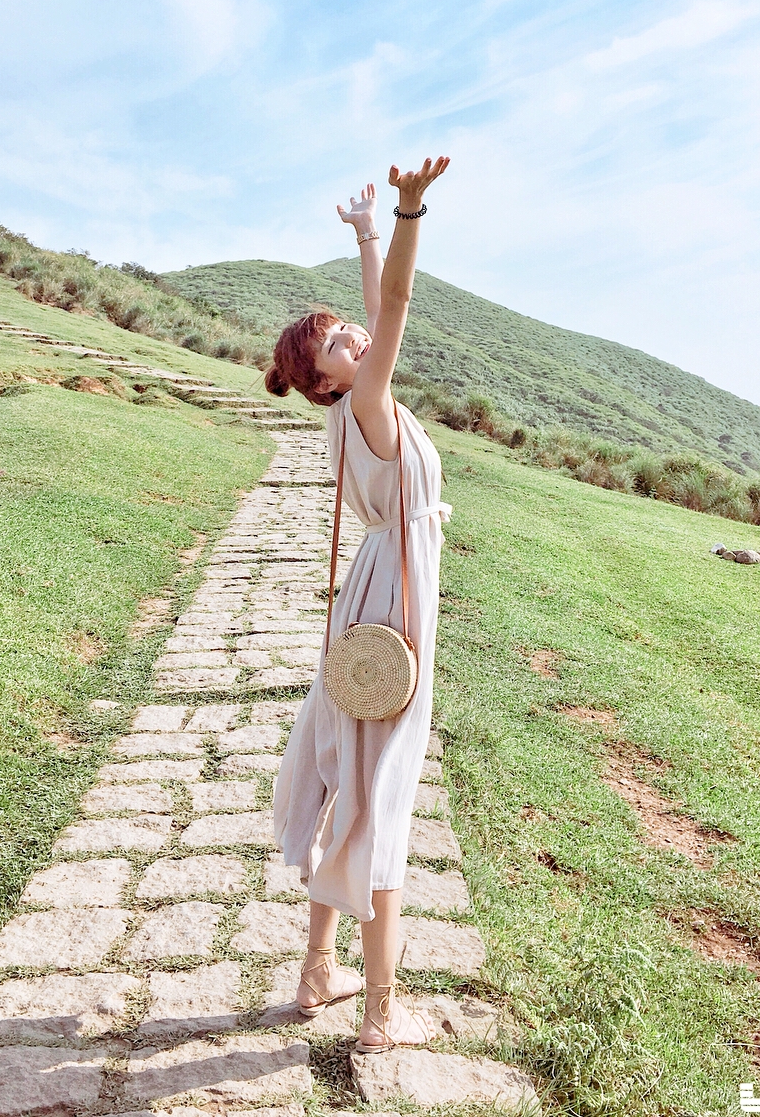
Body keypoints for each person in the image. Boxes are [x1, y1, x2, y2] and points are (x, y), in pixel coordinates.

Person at [264, 156, 451, 1053]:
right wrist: (408, 214)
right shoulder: (367, 401)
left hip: (372, 595)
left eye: (348, 331)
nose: (356, 337)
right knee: (383, 796)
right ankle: (379, 1006)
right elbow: (396, 310)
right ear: (329, 377)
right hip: (398, 601)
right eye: (339, 341)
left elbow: (376, 318)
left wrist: (366, 233)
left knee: (356, 777)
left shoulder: (352, 404)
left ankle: (317, 970)